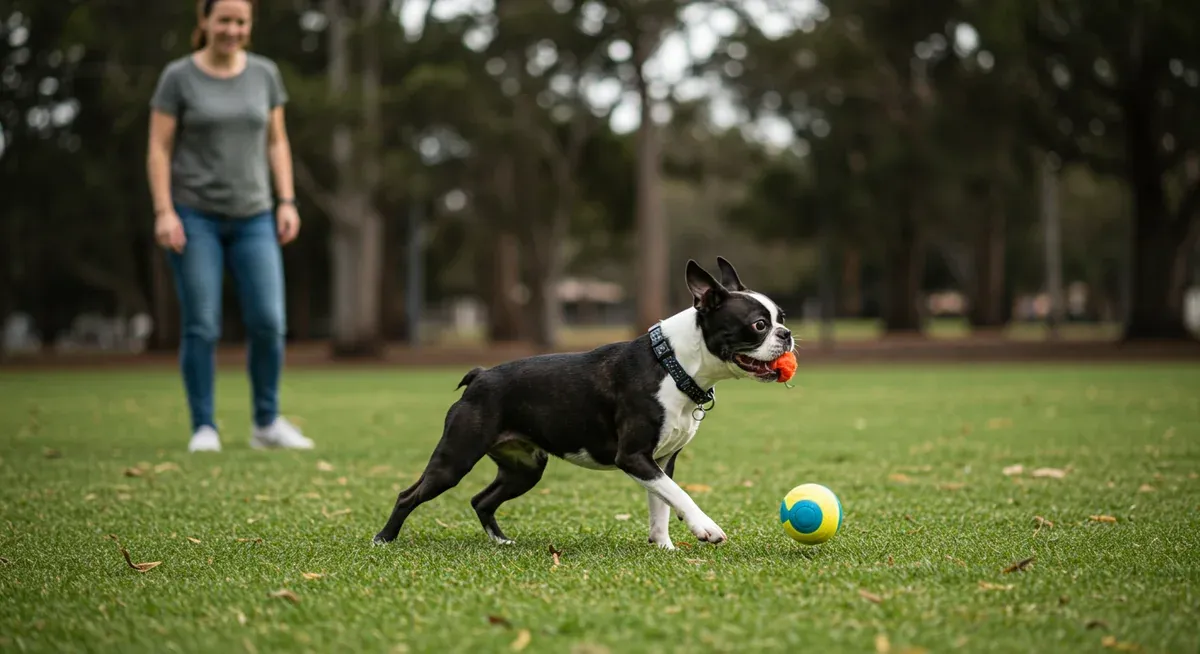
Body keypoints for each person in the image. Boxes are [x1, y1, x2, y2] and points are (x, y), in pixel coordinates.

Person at [146, 0, 313, 452]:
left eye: (241, 21)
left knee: (268, 322)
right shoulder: (178, 77)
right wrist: (165, 211)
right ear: (205, 21)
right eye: (224, 20)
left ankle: (266, 423)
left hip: (255, 215)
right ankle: (204, 427)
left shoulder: (264, 74)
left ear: (249, 25)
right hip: (194, 215)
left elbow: (277, 141)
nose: (232, 29)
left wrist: (287, 201)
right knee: (201, 324)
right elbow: (159, 148)